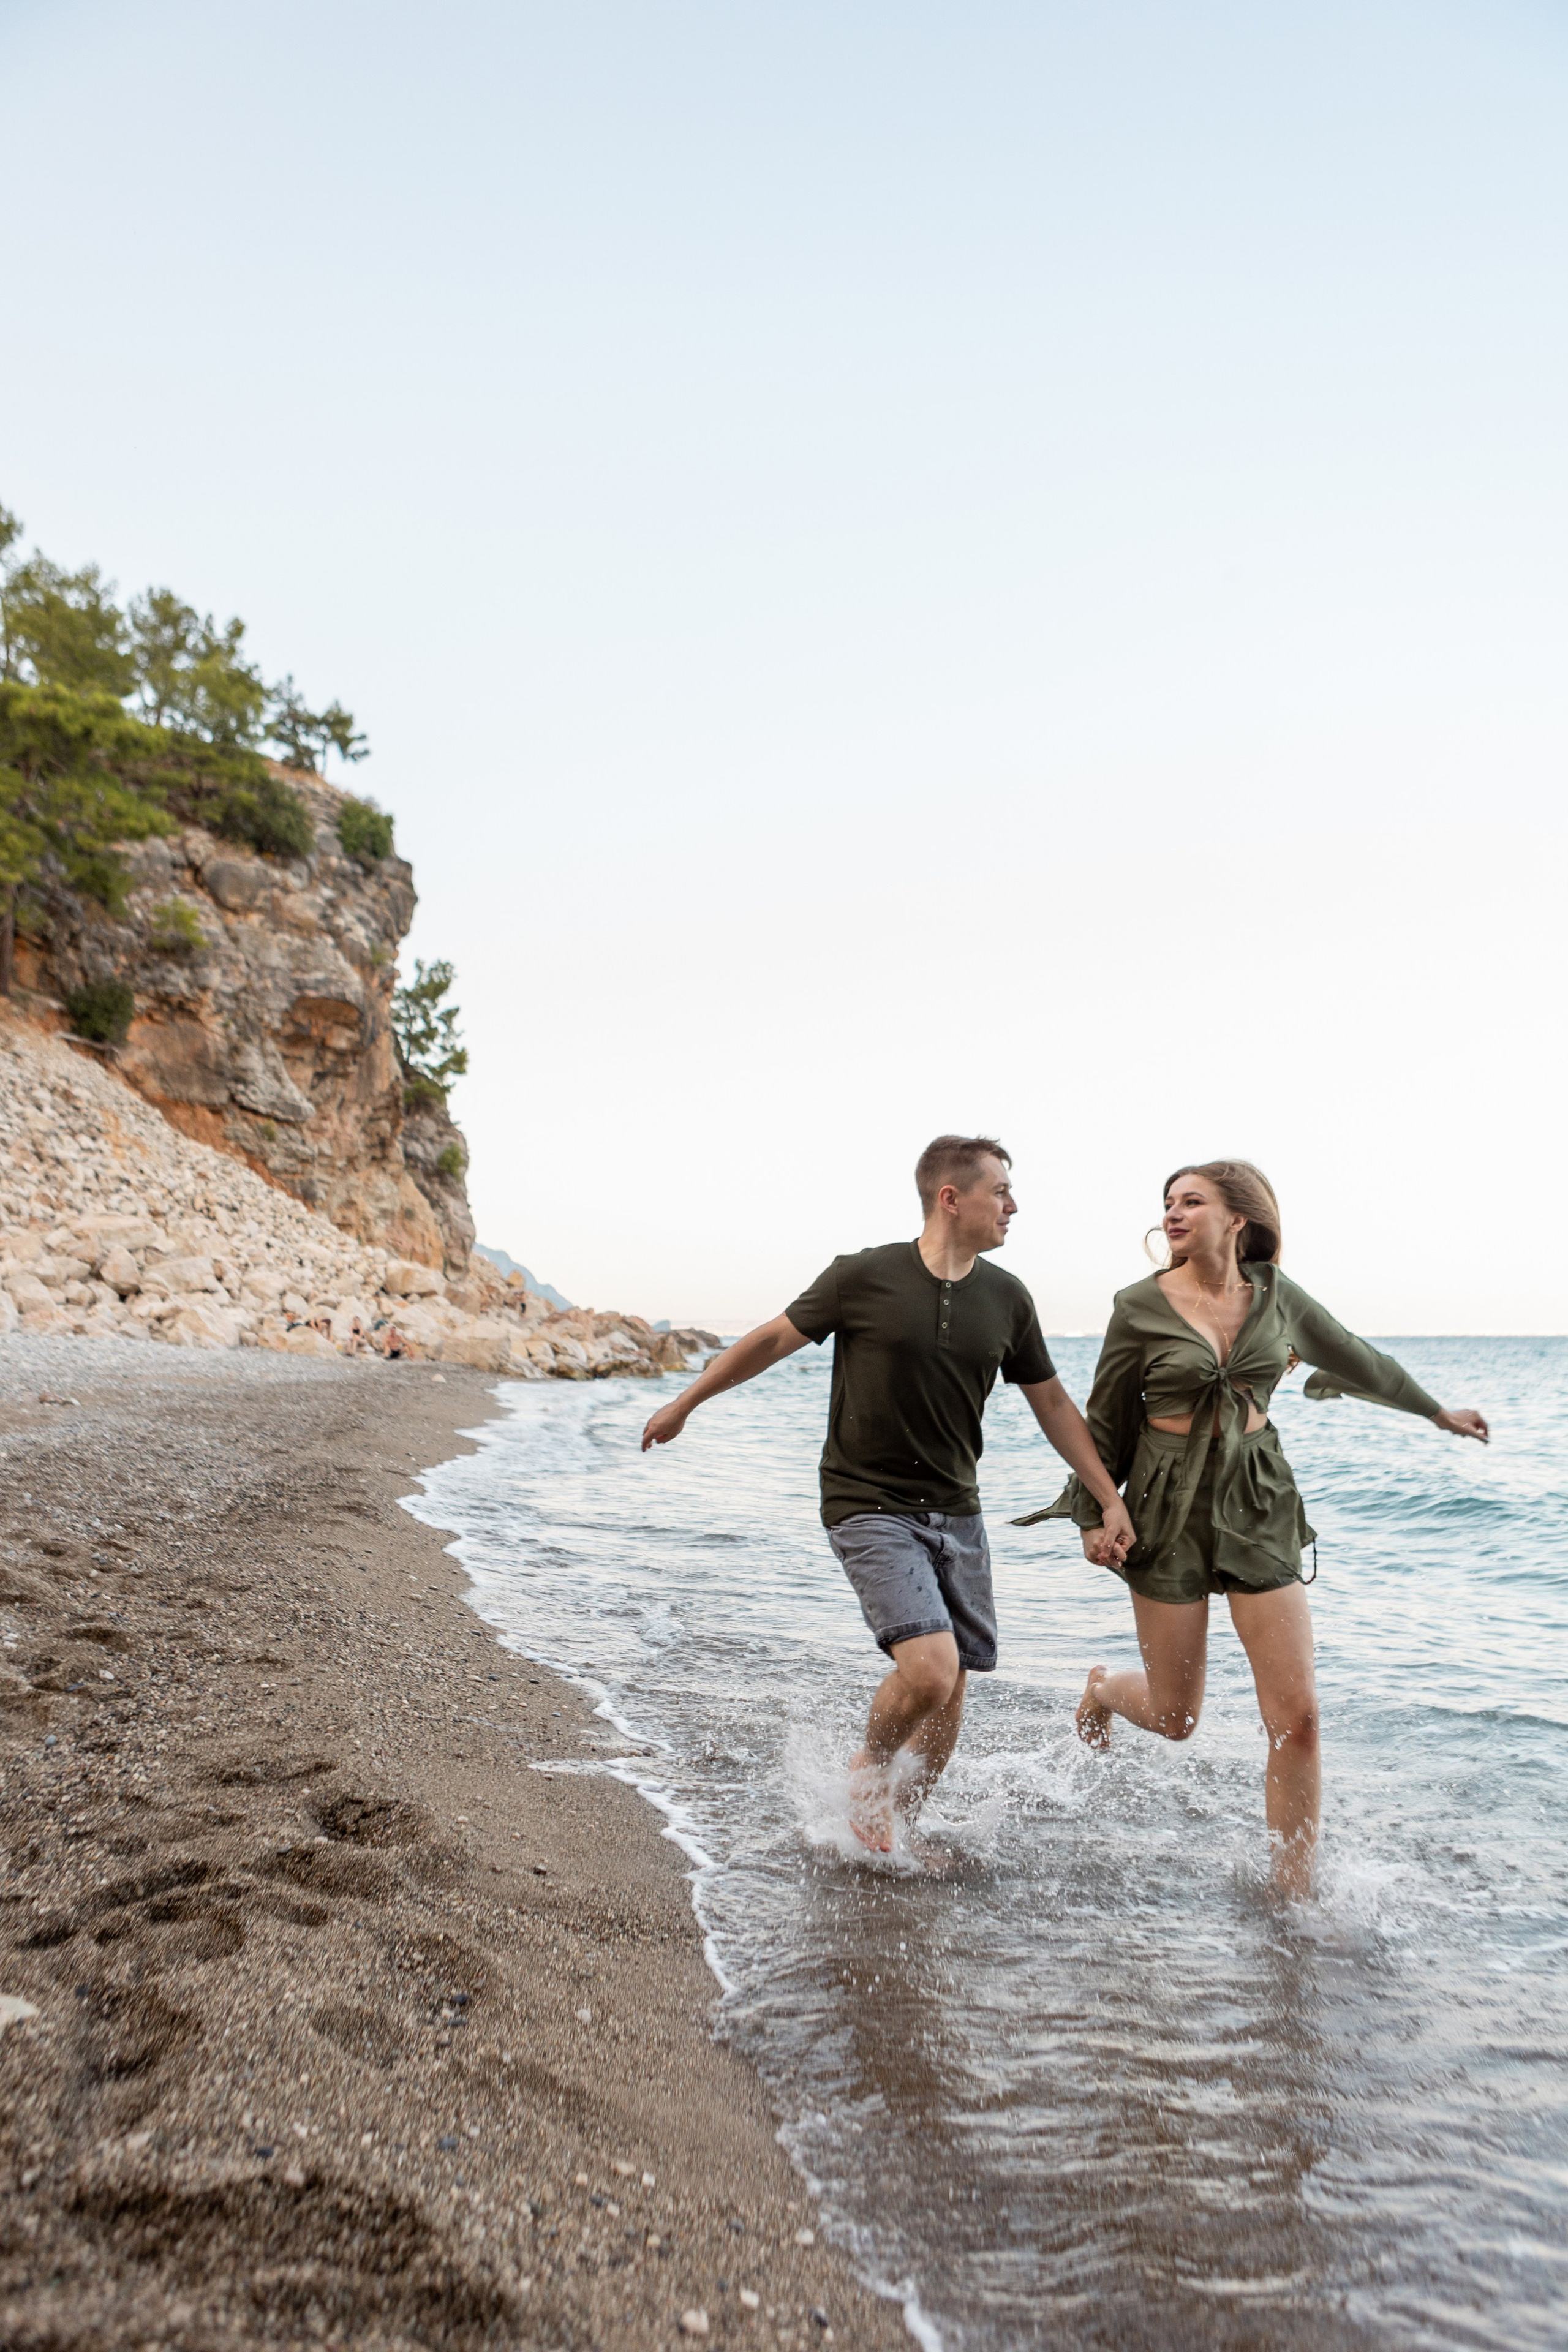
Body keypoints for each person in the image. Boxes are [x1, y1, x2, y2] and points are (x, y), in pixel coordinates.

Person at [641, 1135, 1134, 1853]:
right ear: (950, 1198)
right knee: (929, 1671)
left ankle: (902, 1835)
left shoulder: (1007, 1298)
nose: (1013, 1205)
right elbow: (773, 1340)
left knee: (953, 1685)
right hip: (866, 1500)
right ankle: (869, 1769)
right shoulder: (863, 1276)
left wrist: (1105, 1497)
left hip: (958, 1510)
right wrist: (687, 1402)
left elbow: (1054, 1405)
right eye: (1000, 1191)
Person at [1015, 1160, 1488, 1898]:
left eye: (1191, 1201)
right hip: (1164, 1504)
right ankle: (1105, 1689)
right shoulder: (1138, 1304)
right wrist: (1093, 1511)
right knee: (1175, 1718)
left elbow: (1358, 1358)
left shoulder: (1277, 1296)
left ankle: (1291, 1898)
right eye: (1167, 1203)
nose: (1173, 1213)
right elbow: (1105, 1417)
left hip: (1258, 1497)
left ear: (1236, 1218)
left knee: (1296, 1718)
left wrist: (1436, 1413)